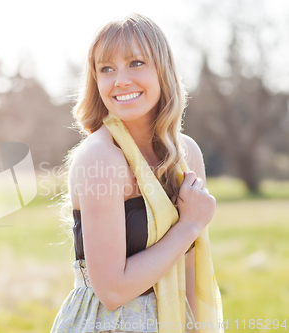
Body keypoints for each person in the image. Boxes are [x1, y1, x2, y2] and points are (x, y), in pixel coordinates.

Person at [50, 13, 223, 333]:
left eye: (136, 63)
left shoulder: (187, 155)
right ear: (95, 80)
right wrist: (189, 225)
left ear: (162, 69)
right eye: (107, 69)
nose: (121, 80)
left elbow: (190, 269)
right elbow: (113, 291)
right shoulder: (100, 158)